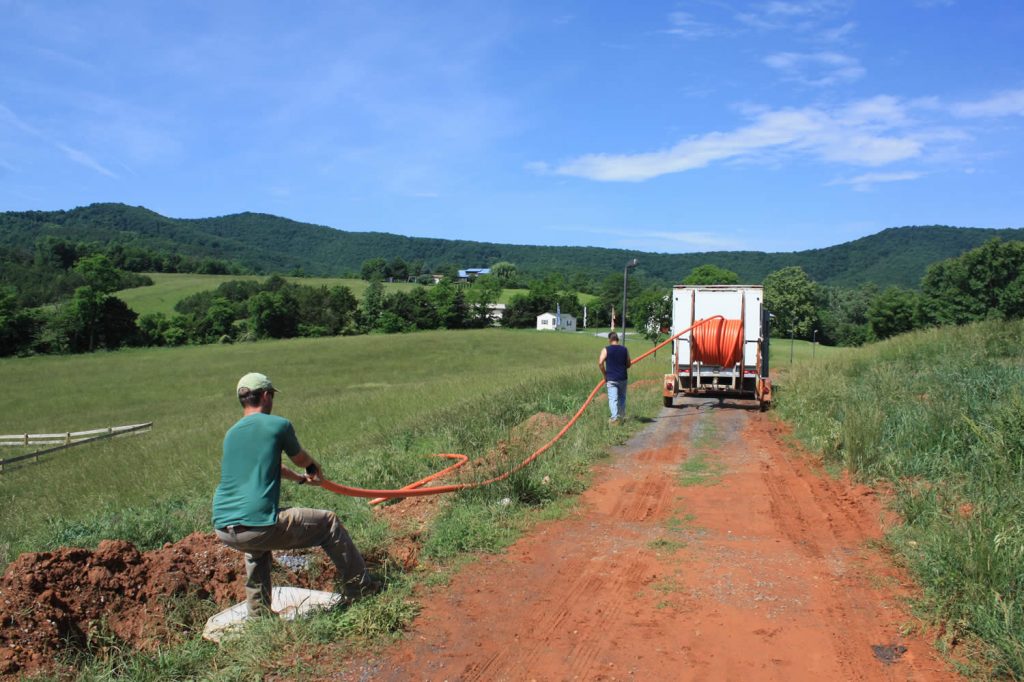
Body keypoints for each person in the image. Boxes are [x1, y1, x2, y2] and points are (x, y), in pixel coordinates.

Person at [213, 372, 377, 617]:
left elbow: (274, 467)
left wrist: (300, 479)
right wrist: (312, 468)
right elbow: (300, 458)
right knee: (328, 523)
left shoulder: (231, 434)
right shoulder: (278, 425)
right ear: (266, 396)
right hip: (259, 525)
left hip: (224, 527)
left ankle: (259, 616)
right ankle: (362, 589)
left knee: (256, 548)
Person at [598, 332, 632, 424]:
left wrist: (605, 374)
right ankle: (621, 417)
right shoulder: (625, 349)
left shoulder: (606, 350)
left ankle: (614, 418)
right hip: (623, 378)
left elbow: (600, 363)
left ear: (609, 340)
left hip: (611, 379)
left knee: (613, 399)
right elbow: (629, 364)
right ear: (617, 339)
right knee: (622, 398)